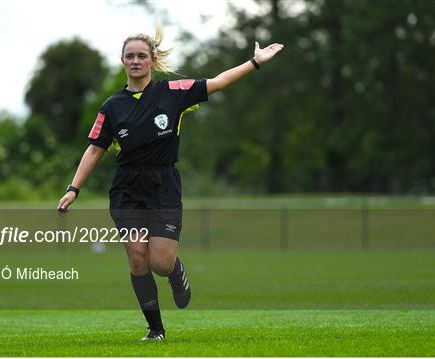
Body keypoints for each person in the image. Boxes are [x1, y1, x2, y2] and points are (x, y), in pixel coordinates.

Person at [58, 24, 284, 340]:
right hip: (127, 189)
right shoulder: (112, 107)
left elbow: (218, 83)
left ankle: (175, 271)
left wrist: (255, 62)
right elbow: (95, 149)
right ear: (122, 61)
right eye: (129, 56)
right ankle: (155, 329)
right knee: (137, 258)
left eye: (141, 55)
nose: (135, 61)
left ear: (152, 60)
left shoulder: (172, 93)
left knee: (160, 263)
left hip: (163, 185)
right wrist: (73, 188)